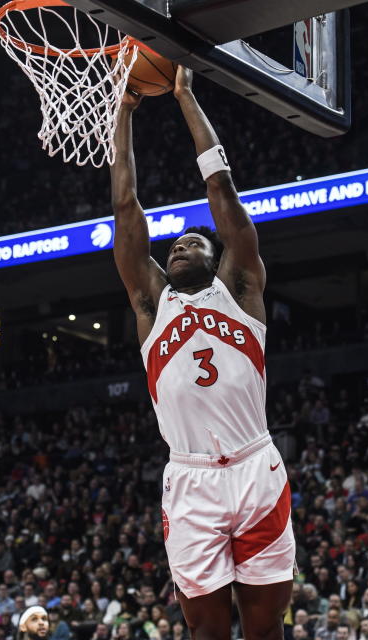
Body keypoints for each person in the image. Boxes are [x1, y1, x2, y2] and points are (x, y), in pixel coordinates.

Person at [110, 67, 293, 639]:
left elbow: (222, 191)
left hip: (254, 465)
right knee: (205, 632)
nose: (181, 245)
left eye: (194, 243)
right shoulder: (150, 303)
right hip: (189, 480)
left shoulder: (240, 291)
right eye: (176, 245)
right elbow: (126, 208)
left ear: (216, 260)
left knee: (264, 631)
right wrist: (123, 115)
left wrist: (185, 96)